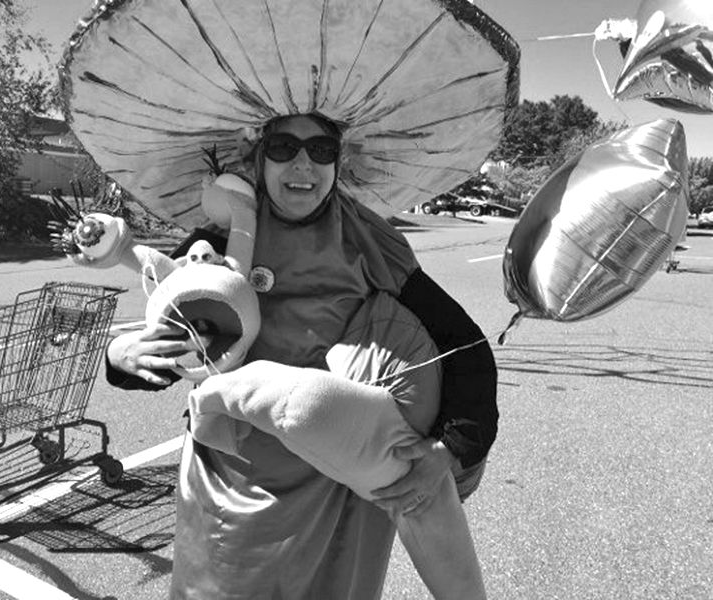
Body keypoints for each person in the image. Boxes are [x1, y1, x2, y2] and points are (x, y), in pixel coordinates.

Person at [105, 112, 498, 599]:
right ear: (258, 158)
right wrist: (122, 357)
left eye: (321, 151)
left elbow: (463, 344)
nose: (303, 165)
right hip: (232, 479)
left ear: (339, 161)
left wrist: (448, 449)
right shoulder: (220, 240)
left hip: (337, 482)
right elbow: (177, 343)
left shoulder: (371, 243)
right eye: (284, 148)